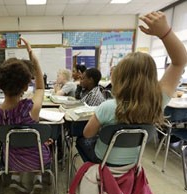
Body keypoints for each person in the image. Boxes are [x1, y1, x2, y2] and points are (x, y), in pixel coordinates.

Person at [77, 11, 187, 164]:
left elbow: (88, 134)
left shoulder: (107, 107)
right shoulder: (157, 102)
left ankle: (94, 172)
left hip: (103, 159)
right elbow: (180, 61)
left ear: (119, 79)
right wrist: (165, 33)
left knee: (81, 141)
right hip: (133, 162)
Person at [0, 36, 50, 194]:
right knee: (47, 142)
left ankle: (15, 178)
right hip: (38, 160)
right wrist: (32, 56)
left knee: (11, 143)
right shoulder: (30, 109)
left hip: (12, 161)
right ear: (26, 85)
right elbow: (41, 88)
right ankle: (38, 179)